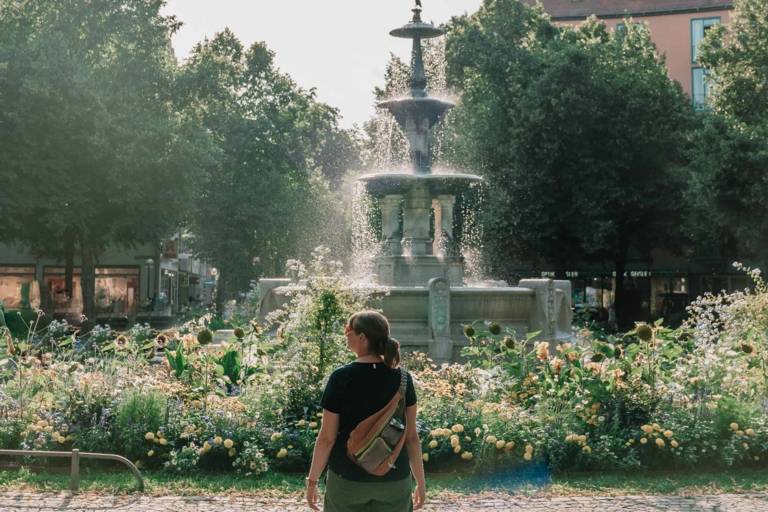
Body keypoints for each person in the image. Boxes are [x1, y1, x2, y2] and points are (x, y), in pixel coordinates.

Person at [306, 310, 426, 511]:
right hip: (394, 479)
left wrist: (312, 481)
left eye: (348, 330)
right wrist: (421, 483)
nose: (346, 334)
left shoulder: (340, 378)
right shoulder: (403, 379)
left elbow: (327, 438)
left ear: (362, 337)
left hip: (347, 479)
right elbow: (411, 437)